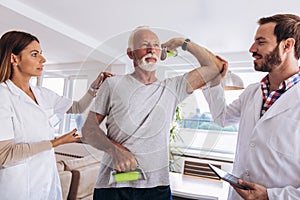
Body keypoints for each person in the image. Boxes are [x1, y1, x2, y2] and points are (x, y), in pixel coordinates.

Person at [81, 26, 225, 200]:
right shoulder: (112, 85)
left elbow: (215, 66)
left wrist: (180, 42)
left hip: (156, 189)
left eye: (156, 45)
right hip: (113, 187)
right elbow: (88, 130)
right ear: (130, 54)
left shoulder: (173, 87)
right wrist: (115, 150)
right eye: (144, 44)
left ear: (161, 53)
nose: (151, 49)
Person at [0, 30, 112, 200]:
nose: (43, 60)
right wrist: (58, 142)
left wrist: (94, 88)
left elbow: (77, 107)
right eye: (34, 54)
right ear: (14, 58)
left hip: (47, 180)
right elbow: (5, 154)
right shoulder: (3, 95)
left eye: (41, 54)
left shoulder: (42, 93)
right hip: (17, 187)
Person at [202, 14, 300, 199]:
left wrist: (270, 196)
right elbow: (221, 118)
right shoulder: (253, 92)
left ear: (287, 45)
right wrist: (214, 82)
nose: (252, 49)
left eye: (261, 42)